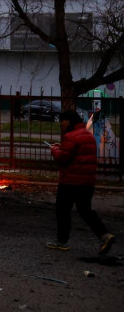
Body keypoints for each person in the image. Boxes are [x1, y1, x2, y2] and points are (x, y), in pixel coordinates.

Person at [46, 109, 115, 255]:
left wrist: (54, 150)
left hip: (70, 182)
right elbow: (77, 155)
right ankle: (105, 235)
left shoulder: (70, 136)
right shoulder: (88, 136)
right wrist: (62, 147)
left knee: (63, 210)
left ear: (69, 121)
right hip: (87, 182)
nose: (61, 124)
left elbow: (64, 158)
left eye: (62, 121)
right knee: (86, 211)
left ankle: (61, 241)